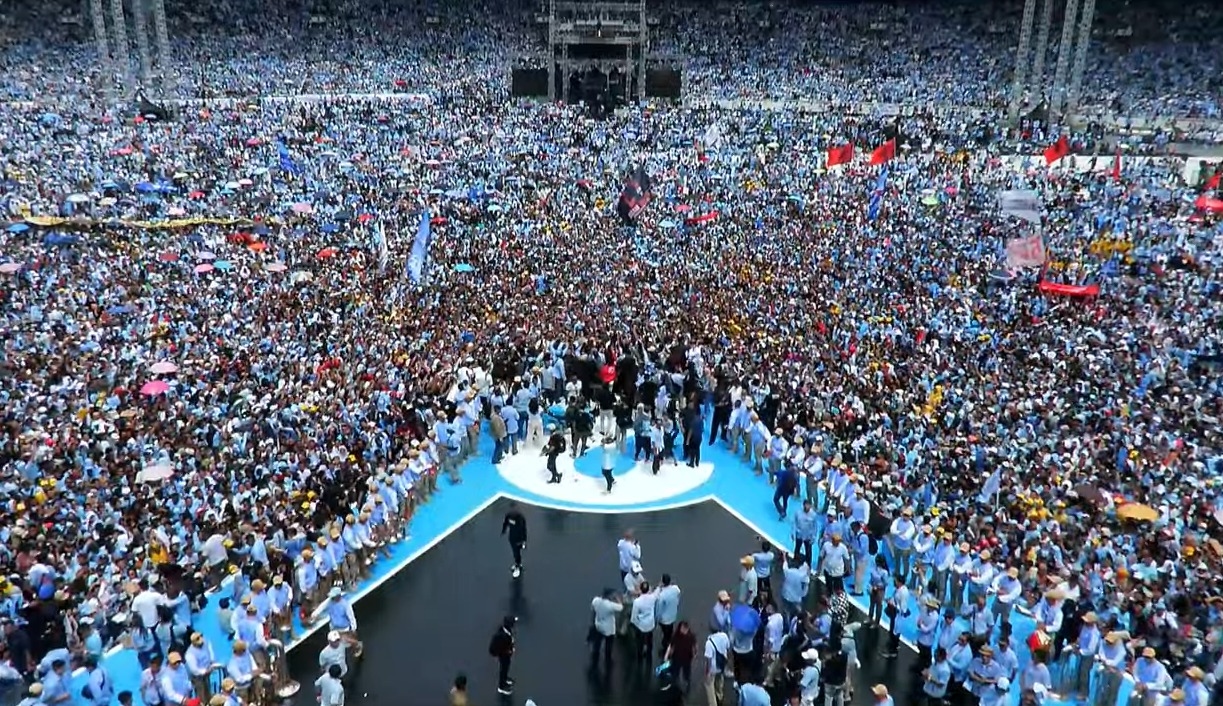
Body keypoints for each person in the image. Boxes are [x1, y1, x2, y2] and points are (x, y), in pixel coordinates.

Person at [589, 589, 623, 670]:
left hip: (599, 625)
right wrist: (618, 599)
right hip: (608, 629)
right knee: (609, 644)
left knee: (597, 641)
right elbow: (621, 607)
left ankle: (595, 654)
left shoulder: (596, 600)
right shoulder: (609, 605)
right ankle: (608, 659)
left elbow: (593, 608)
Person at [662, 620, 696, 691]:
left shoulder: (691, 637)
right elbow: (671, 646)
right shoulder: (675, 637)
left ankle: (686, 681)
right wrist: (666, 656)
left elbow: (694, 646)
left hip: (687, 658)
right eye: (683, 628)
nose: (684, 630)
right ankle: (674, 683)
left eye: (686, 629)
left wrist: (694, 654)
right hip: (677, 657)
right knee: (675, 671)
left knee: (686, 671)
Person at [488, 615, 516, 695]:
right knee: (503, 669)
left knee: (506, 668)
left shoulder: (506, 630)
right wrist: (509, 651)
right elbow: (501, 648)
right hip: (504, 656)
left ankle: (505, 679)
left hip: (506, 654)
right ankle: (501, 687)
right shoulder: (502, 636)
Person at [655, 574, 681, 657]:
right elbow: (678, 594)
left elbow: (659, 609)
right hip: (673, 615)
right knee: (670, 631)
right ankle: (669, 643)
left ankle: (667, 649)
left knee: (666, 635)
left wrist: (656, 619)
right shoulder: (676, 589)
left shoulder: (662, 596)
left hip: (664, 620)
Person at [501, 501, 528, 578]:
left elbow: (523, 529)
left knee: (516, 552)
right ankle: (518, 564)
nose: (513, 511)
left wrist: (524, 541)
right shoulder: (508, 516)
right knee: (515, 551)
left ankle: (518, 566)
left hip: (519, 538)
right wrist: (504, 530)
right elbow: (505, 523)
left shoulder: (520, 518)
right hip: (512, 537)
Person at [703, 629, 730, 706]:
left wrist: (707, 672)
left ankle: (713, 703)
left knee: (709, 686)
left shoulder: (709, 643)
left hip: (713, 668)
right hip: (722, 664)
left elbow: (709, 659)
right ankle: (720, 695)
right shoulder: (724, 636)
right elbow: (728, 648)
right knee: (720, 680)